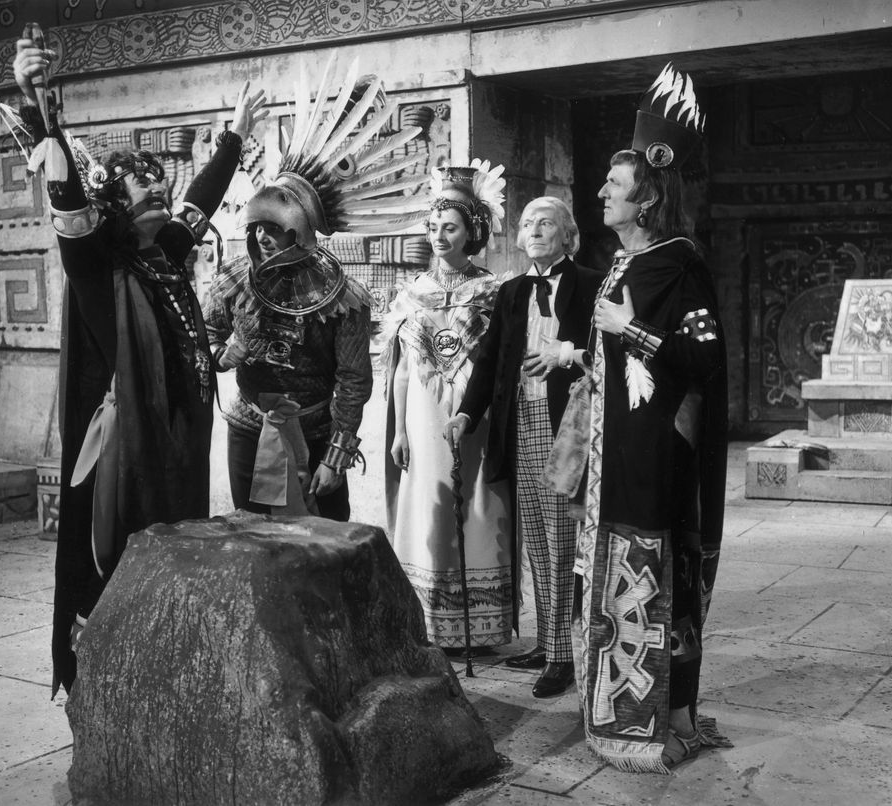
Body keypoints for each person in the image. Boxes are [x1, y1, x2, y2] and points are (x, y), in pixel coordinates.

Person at [10, 35, 268, 695]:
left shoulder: (161, 252)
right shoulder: (94, 261)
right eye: (147, 195)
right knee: (118, 558)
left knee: (170, 552)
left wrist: (234, 140)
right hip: (121, 453)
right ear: (117, 206)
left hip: (175, 439)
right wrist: (39, 110)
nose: (164, 203)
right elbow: (64, 190)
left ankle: (164, 669)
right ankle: (106, 683)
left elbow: (200, 201)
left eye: (162, 193)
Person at [575, 62, 730, 771]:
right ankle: (622, 718)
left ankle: (674, 716)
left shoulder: (678, 263)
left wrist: (632, 331)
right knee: (611, 583)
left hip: (659, 461)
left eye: (616, 185)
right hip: (614, 458)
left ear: (647, 197)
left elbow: (703, 361)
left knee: (659, 579)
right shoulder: (618, 264)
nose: (602, 191)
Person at [203, 55, 428, 519]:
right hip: (248, 425)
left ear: (300, 230)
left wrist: (338, 454)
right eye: (258, 226)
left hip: (317, 431)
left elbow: (353, 380)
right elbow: (201, 349)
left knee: (324, 551)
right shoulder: (231, 281)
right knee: (250, 541)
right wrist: (232, 353)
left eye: (275, 227)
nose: (263, 236)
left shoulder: (343, 297)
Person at [444, 196, 601, 698]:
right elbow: (489, 359)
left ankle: (561, 657)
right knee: (536, 541)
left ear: (567, 235)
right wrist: (468, 413)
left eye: (546, 223)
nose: (535, 230)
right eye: (528, 223)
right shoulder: (512, 291)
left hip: (566, 422)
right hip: (520, 422)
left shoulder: (592, 284)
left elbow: (609, 352)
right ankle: (548, 640)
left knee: (559, 540)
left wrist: (567, 356)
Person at [382, 161, 513, 652]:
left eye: (450, 227)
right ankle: (431, 620)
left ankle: (481, 624)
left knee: (478, 502)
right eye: (434, 227)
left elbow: (498, 366)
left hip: (471, 415)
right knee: (428, 502)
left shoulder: (493, 291)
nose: (439, 235)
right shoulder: (410, 293)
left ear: (472, 232)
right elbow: (400, 369)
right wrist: (398, 431)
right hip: (421, 412)